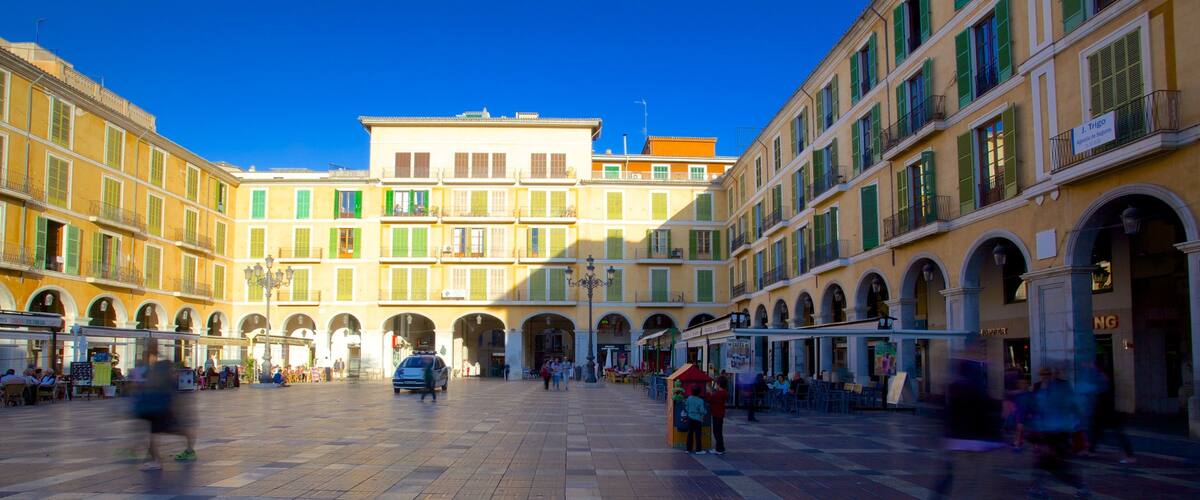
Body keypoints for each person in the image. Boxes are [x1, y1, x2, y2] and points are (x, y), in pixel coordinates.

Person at [1028, 367, 1089, 498]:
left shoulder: (1061, 388)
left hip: (1057, 432)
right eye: (1043, 374)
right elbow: (1036, 409)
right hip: (1048, 431)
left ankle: (1079, 486)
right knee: (1044, 462)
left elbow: (1073, 407)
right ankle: (1036, 489)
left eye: (1047, 374)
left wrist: (1076, 425)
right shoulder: (1039, 388)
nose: (1045, 376)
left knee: (1052, 464)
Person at [134, 349, 197, 471]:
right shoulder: (167, 379)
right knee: (174, 431)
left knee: (153, 435)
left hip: (159, 410)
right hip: (163, 410)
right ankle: (188, 450)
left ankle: (156, 460)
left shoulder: (157, 377)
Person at [1088, 364, 1135, 464]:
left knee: (1114, 432)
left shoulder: (1102, 379)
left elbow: (1100, 393)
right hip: (1105, 411)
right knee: (1098, 431)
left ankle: (1130, 455)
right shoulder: (1102, 378)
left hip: (1106, 411)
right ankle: (1091, 450)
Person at [707, 377, 729, 455]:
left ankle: (719, 449)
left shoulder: (718, 394)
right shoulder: (724, 392)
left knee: (717, 432)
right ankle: (720, 448)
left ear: (719, 384)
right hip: (720, 413)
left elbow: (710, 399)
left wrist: (708, 392)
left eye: (716, 384)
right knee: (719, 431)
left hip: (716, 414)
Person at [684, 385, 708, 455]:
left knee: (690, 433)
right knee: (698, 434)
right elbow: (702, 410)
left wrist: (689, 411)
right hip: (698, 419)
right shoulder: (700, 400)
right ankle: (698, 450)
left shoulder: (689, 398)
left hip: (690, 418)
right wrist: (705, 412)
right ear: (699, 392)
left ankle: (688, 449)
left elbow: (686, 407)